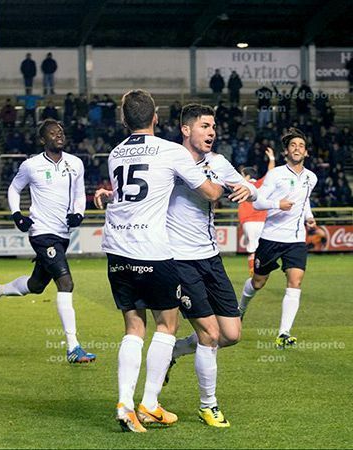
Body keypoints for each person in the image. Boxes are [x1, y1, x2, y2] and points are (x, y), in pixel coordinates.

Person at [94, 91, 227, 432]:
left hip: (116, 249)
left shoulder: (115, 152)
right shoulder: (170, 151)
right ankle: (149, 403)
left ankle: (125, 403)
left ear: (125, 121)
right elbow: (211, 193)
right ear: (156, 118)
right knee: (167, 326)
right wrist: (224, 182)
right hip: (152, 250)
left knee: (133, 327)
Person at [163, 104, 255, 428]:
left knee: (231, 334)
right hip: (180, 260)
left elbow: (249, 188)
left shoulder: (217, 162)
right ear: (186, 130)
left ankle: (174, 350)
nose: (212, 132)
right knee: (210, 334)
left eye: (213, 126)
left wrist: (247, 188)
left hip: (211, 259)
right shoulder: (171, 160)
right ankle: (208, 406)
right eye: (204, 126)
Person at [0, 119, 96, 365]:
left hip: (62, 234)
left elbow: (79, 193)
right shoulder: (31, 165)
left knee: (36, 285)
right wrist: (17, 215)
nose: (59, 135)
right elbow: (13, 189)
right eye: (53, 133)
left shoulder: (75, 163)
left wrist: (78, 213)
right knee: (66, 282)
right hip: (41, 233)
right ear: (43, 140)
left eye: (61, 131)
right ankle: (73, 347)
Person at [238, 127, 318, 348]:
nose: (297, 148)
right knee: (258, 282)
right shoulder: (275, 175)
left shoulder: (311, 177)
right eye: (293, 145)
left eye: (301, 146)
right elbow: (257, 202)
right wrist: (278, 204)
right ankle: (241, 309)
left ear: (306, 152)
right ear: (286, 151)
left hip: (296, 240)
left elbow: (305, 201)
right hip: (271, 238)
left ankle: (284, 333)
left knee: (295, 281)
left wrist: (309, 218)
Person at [238, 148, 276, 275]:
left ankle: (254, 272)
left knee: (252, 249)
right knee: (262, 247)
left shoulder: (241, 185)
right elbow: (271, 172)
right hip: (262, 221)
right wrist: (272, 159)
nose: (241, 176)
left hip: (249, 221)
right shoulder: (261, 184)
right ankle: (262, 269)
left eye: (243, 174)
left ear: (247, 176)